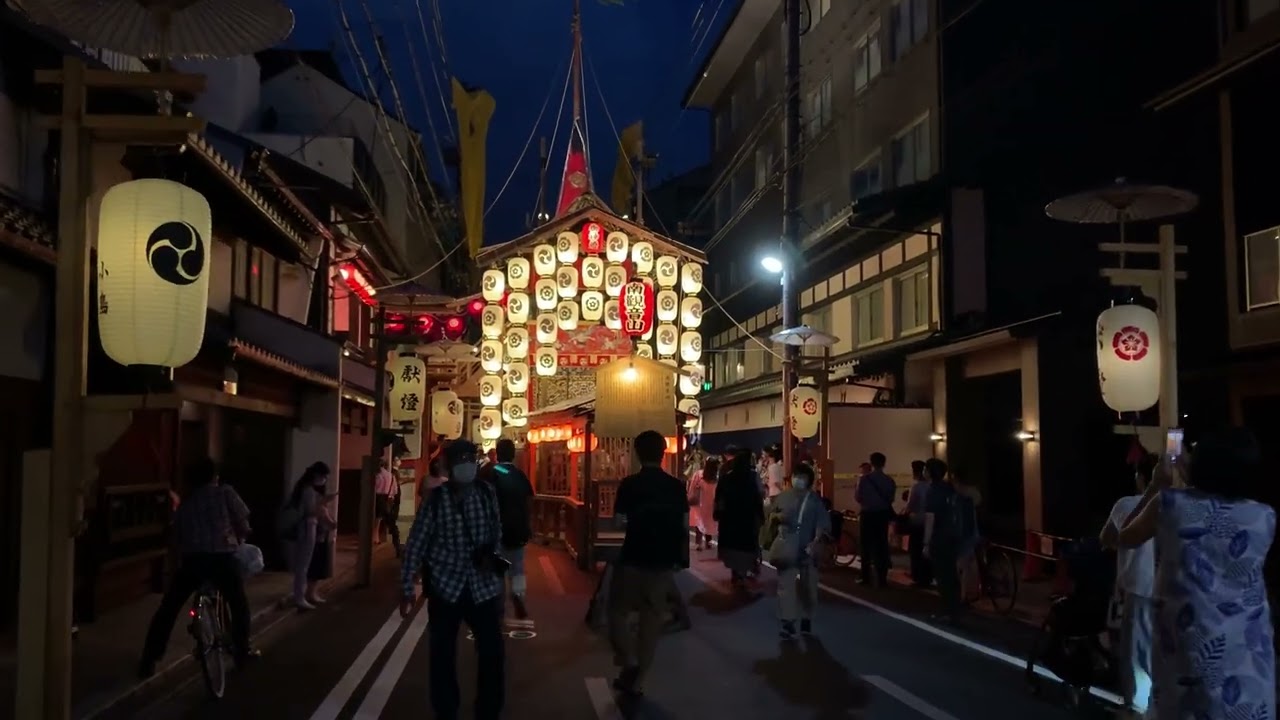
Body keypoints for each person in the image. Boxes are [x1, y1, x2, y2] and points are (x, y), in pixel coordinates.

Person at [1113, 428, 1275, 720]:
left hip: (1189, 644)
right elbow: (1214, 506)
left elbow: (1123, 537)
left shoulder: (1168, 505)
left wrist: (1156, 485)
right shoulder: (1264, 516)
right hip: (1249, 649)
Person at [401, 440, 507, 720]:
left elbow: (497, 533)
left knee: (492, 653)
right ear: (447, 465)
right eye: (459, 459)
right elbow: (417, 542)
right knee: (442, 655)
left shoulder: (487, 493)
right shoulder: (436, 499)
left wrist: (494, 560)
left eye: (470, 458)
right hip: (445, 588)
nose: (466, 464)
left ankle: (488, 710)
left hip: (483, 587)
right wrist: (407, 587)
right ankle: (446, 710)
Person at [139, 458, 257, 678]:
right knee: (238, 603)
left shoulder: (186, 504)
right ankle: (242, 651)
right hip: (222, 559)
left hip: (193, 562)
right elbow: (243, 522)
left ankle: (150, 658)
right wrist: (239, 537)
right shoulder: (225, 493)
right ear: (214, 476)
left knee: (169, 608)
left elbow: (177, 539)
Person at [608, 430, 688, 697]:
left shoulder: (630, 484)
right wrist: (680, 559)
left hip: (633, 557)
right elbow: (684, 526)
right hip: (663, 562)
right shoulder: (676, 486)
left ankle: (628, 662)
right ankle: (639, 680)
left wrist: (636, 521)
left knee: (617, 611)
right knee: (651, 621)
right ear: (663, 453)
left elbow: (619, 522)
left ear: (637, 454)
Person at [1099, 454, 1157, 717]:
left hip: (1137, 586)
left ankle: (1136, 707)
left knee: (1135, 649)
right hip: (1172, 591)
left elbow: (1107, 538)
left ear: (1141, 478)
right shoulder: (1183, 505)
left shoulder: (1127, 504)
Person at [770, 464, 831, 638]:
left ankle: (806, 617)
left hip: (806, 548)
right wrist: (778, 521)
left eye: (802, 477)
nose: (798, 479)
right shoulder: (784, 497)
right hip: (790, 546)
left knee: (808, 586)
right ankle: (788, 621)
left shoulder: (814, 500)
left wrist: (815, 541)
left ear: (809, 480)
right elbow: (772, 517)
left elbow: (822, 523)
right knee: (786, 585)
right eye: (796, 476)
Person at [482, 438, 535, 622]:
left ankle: (498, 606)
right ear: (513, 455)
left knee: (497, 569)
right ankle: (518, 594)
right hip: (518, 529)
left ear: (497, 453)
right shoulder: (520, 475)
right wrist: (528, 524)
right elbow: (529, 501)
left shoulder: (490, 473)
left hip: (496, 530)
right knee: (517, 567)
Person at [282, 462, 332, 610]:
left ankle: (300, 596)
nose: (324, 480)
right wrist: (323, 503)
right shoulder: (309, 491)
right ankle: (300, 597)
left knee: (301, 565)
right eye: (323, 476)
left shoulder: (301, 489)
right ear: (317, 475)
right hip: (307, 528)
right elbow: (310, 512)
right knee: (303, 566)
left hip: (303, 529)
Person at [714, 449, 766, 588]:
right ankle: (745, 570)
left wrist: (718, 513)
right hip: (748, 518)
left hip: (730, 519)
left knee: (733, 545)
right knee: (748, 545)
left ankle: (736, 572)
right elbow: (759, 496)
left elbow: (719, 498)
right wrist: (760, 516)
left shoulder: (726, 478)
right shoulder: (753, 477)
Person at [921, 458, 962, 620]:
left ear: (930, 472)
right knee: (951, 574)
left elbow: (930, 517)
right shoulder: (949, 488)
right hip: (953, 535)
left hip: (940, 537)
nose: (924, 472)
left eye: (925, 469)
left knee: (942, 575)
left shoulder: (933, 490)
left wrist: (926, 542)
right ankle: (954, 609)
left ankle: (947, 611)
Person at [854, 452, 896, 587]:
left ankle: (865, 577)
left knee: (866, 545)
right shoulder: (889, 481)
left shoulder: (864, 479)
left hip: (868, 514)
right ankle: (882, 578)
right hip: (882, 514)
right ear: (884, 463)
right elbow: (891, 499)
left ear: (871, 463)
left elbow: (858, 497)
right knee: (881, 544)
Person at [904, 460, 932, 586]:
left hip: (918, 522)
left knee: (916, 550)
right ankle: (928, 576)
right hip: (931, 522)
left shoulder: (917, 487)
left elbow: (910, 506)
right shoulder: (932, 486)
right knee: (928, 551)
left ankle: (918, 577)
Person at [689, 457, 720, 551]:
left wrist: (690, 496)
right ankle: (708, 541)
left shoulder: (699, 474)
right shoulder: (717, 477)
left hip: (700, 502)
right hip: (711, 503)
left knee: (700, 522)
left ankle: (698, 543)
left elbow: (693, 487)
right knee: (709, 521)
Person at [375, 457, 403, 557]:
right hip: (387, 499)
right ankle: (397, 546)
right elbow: (395, 491)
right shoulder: (391, 475)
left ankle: (374, 538)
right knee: (391, 524)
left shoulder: (376, 475)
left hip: (375, 498)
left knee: (374, 519)